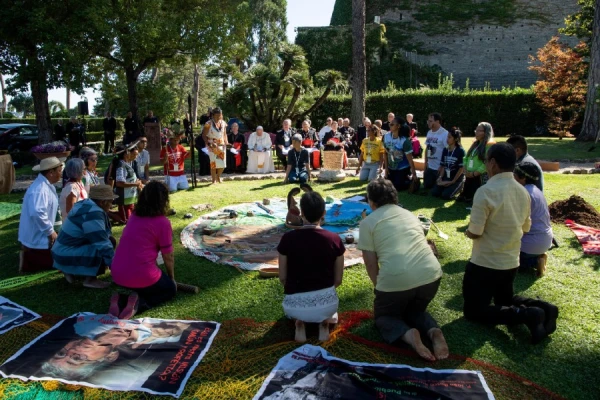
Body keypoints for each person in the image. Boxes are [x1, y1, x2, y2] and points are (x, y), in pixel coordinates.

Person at [463, 143, 559, 344]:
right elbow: (526, 227)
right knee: (504, 300)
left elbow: (476, 232)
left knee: (473, 311)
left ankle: (529, 315)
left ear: (493, 163)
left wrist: (468, 232)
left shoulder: (485, 191)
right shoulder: (523, 191)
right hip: (511, 263)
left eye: (486, 161)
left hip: (485, 263)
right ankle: (545, 308)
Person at [358, 179, 448, 361]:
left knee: (384, 317)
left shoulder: (368, 223)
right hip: (431, 276)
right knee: (415, 312)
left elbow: (370, 263)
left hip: (396, 280)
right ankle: (434, 331)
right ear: (395, 197)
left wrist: (379, 287)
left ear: (371, 202)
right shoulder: (410, 215)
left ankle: (409, 335)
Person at [278, 191, 345, 342]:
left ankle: (299, 322)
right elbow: (338, 280)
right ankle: (324, 322)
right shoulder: (334, 239)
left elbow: (282, 278)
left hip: (294, 306)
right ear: (324, 213)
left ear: (301, 213)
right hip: (327, 304)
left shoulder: (287, 239)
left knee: (297, 311)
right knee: (330, 312)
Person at [111, 181, 177, 319]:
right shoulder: (163, 222)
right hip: (141, 276)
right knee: (169, 290)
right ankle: (140, 303)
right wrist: (171, 279)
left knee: (145, 283)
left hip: (117, 274)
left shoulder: (134, 216)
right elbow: (168, 256)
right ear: (164, 200)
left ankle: (123, 299)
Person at [52, 185, 117, 289]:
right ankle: (90, 279)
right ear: (103, 202)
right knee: (102, 246)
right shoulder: (93, 213)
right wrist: (116, 267)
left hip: (60, 252)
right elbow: (102, 243)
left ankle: (69, 270)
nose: (111, 205)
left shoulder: (86, 204)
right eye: (110, 201)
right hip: (65, 253)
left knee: (109, 241)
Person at [18, 157, 63, 273]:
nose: (61, 173)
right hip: (38, 236)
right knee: (61, 260)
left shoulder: (45, 185)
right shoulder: (40, 189)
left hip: (39, 234)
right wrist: (50, 232)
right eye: (59, 170)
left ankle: (30, 255)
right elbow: (37, 212)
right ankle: (28, 258)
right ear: (51, 172)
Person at [514, 162, 553, 276]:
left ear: (523, 178)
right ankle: (537, 256)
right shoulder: (536, 190)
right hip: (545, 239)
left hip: (530, 243)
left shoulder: (524, 194)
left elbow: (519, 224)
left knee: (504, 259)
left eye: (514, 174)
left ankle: (535, 261)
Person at [458, 122, 495, 203]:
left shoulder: (489, 145)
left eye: (479, 131)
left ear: (486, 132)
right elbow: (466, 157)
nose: (476, 132)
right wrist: (465, 168)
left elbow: (487, 162)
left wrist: (475, 173)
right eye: (476, 130)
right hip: (469, 174)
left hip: (480, 176)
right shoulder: (475, 143)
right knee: (466, 197)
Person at [108, 143, 143, 222]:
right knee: (125, 220)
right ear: (124, 154)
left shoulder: (125, 163)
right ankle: (106, 212)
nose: (129, 153)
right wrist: (135, 184)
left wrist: (136, 181)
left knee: (132, 218)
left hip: (130, 197)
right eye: (128, 151)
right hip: (124, 198)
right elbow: (119, 183)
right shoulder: (121, 165)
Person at [383, 117, 417, 191]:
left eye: (392, 124)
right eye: (390, 124)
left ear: (398, 126)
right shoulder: (386, 136)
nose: (390, 125)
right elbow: (385, 153)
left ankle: (409, 179)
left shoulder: (404, 140)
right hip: (391, 168)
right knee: (386, 186)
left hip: (402, 168)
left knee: (397, 187)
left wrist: (414, 174)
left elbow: (410, 159)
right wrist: (386, 170)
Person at [431, 129, 466, 200]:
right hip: (446, 177)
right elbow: (443, 166)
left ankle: (460, 186)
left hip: (456, 179)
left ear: (456, 139)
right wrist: (440, 177)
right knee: (434, 193)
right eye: (447, 137)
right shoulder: (445, 150)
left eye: (449, 137)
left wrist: (453, 181)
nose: (447, 139)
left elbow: (461, 169)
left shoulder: (460, 151)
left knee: (446, 195)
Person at [201, 107, 228, 184]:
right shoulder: (208, 124)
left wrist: (226, 142)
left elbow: (224, 134)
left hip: (221, 145)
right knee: (213, 163)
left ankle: (218, 176)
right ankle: (213, 180)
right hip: (212, 145)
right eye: (216, 116)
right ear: (212, 115)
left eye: (220, 115)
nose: (218, 117)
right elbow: (203, 135)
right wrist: (209, 143)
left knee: (222, 164)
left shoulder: (223, 123)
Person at [423, 113, 448, 190]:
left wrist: (442, 166)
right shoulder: (429, 132)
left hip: (439, 167)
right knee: (427, 186)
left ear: (438, 122)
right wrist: (426, 162)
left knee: (436, 189)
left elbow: (447, 151)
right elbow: (427, 148)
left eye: (431, 121)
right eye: (428, 121)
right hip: (430, 167)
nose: (428, 123)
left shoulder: (444, 133)